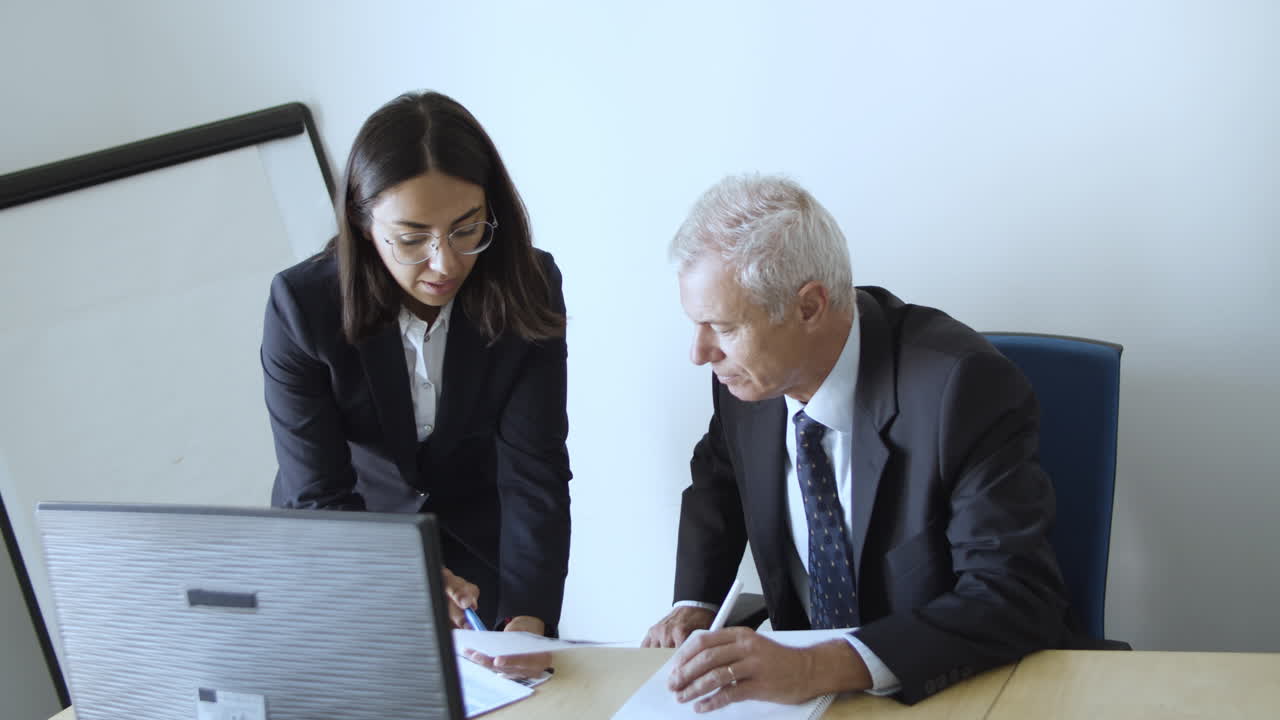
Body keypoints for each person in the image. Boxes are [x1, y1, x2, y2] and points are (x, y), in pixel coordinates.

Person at [643, 174, 1103, 709]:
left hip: (958, 688)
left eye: (722, 327)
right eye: (697, 325)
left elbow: (1012, 594)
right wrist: (695, 603)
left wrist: (816, 668)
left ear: (809, 307)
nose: (700, 353)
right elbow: (719, 480)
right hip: (807, 705)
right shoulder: (747, 383)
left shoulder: (962, 389)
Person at [262, 91, 569, 676]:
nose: (445, 263)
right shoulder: (303, 308)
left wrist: (530, 617)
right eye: (411, 239)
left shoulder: (528, 285)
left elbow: (535, 470)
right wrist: (407, 571)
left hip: (482, 557)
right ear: (363, 222)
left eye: (466, 229)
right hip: (352, 549)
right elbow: (318, 495)